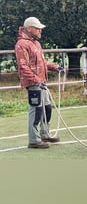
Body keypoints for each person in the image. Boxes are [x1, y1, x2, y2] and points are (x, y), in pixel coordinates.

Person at [15, 17, 63, 149]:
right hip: (33, 82)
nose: (40, 30)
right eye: (37, 28)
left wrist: (54, 66)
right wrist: (36, 80)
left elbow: (41, 62)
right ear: (29, 28)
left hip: (41, 81)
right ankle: (34, 140)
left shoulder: (36, 43)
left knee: (46, 108)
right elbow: (23, 67)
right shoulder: (22, 44)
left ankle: (44, 134)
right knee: (36, 110)